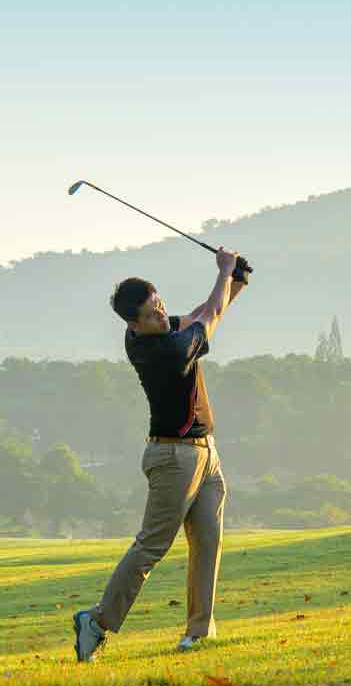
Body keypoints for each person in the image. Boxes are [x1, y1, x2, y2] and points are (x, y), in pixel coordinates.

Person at [75, 247, 246, 661]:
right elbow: (209, 319)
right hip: (174, 459)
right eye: (152, 313)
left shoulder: (155, 329)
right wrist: (225, 272)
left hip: (206, 453)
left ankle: (198, 633)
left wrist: (236, 281)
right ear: (134, 324)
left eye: (159, 304)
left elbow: (202, 311)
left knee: (208, 542)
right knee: (151, 547)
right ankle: (96, 623)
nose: (160, 313)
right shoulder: (163, 351)